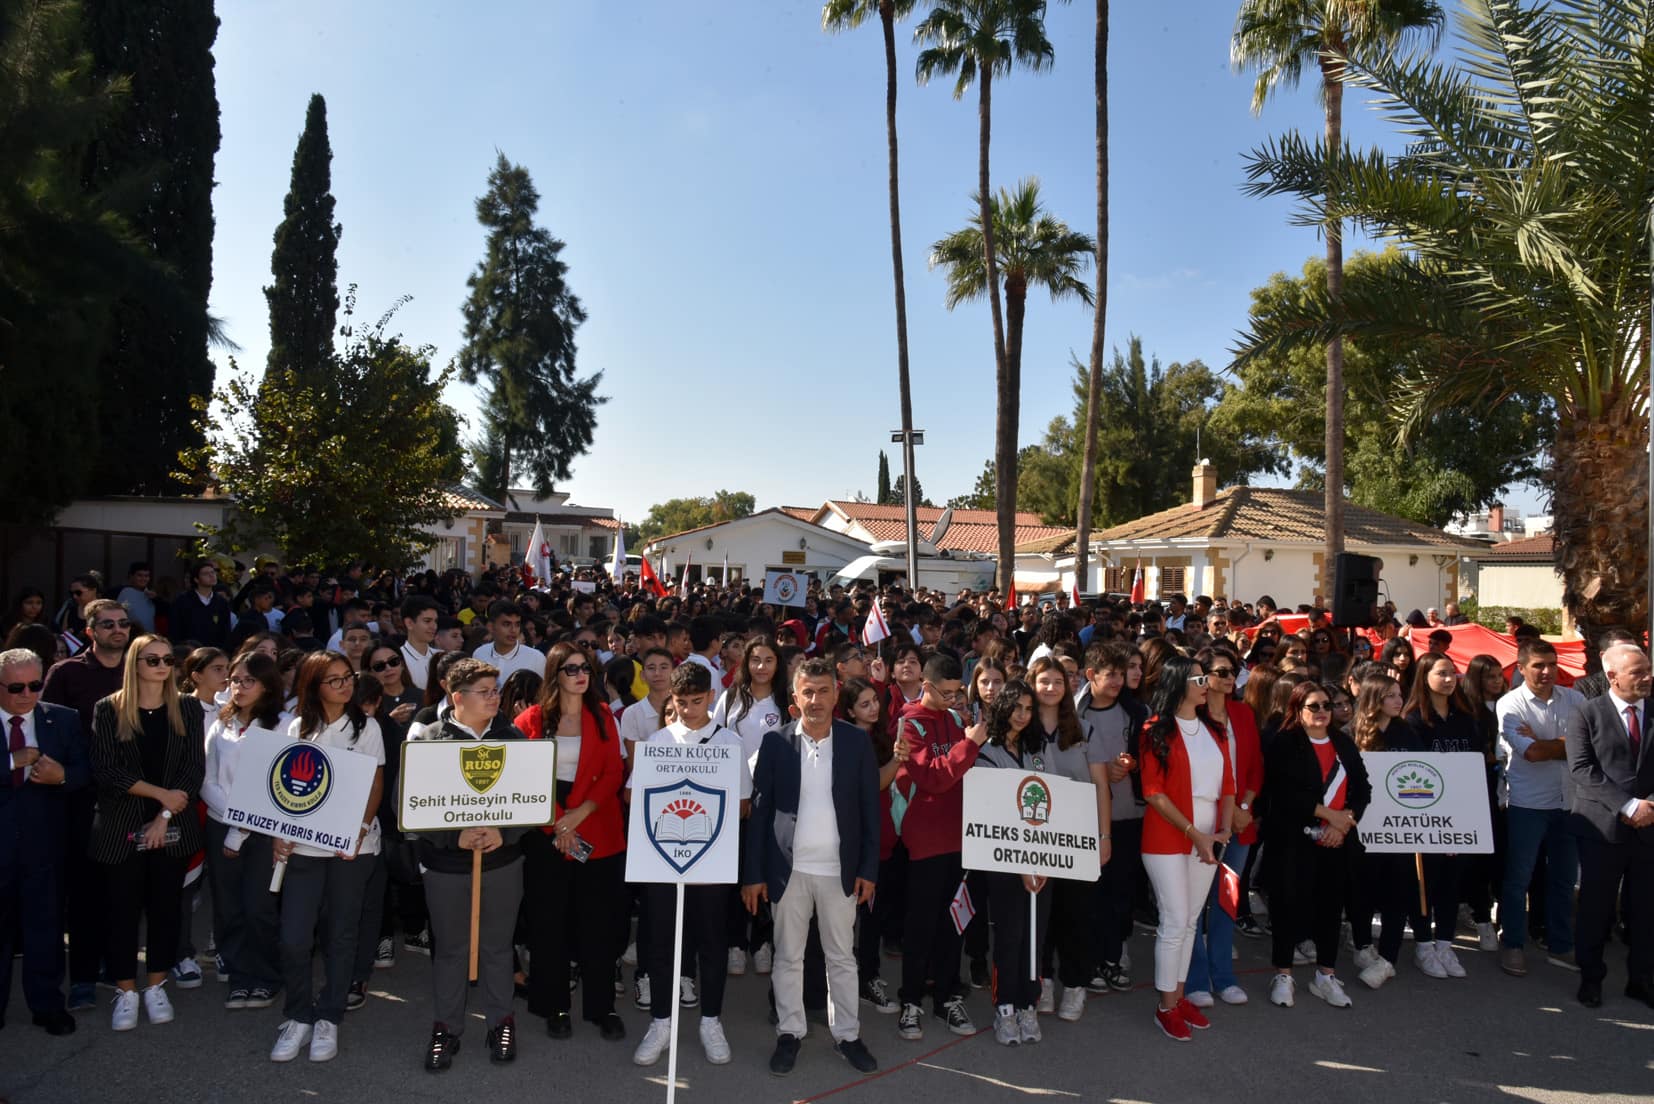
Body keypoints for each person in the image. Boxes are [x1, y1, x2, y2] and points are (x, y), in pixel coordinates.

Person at [743, 658, 880, 1076]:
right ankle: (790, 1032)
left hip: (840, 870)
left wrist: (869, 869)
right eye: (808, 692)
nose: (816, 700)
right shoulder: (775, 743)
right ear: (795, 697)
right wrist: (753, 874)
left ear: (837, 695)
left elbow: (870, 812)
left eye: (823, 691)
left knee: (841, 957)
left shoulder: (857, 743)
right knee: (788, 957)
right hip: (790, 871)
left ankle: (848, 1035)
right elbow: (761, 814)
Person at [408, 659, 531, 1071]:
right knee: (451, 949)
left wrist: (505, 832)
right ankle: (447, 1027)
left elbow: (532, 801)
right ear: (457, 697)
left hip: (501, 862)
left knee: (498, 946)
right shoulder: (428, 739)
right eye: (486, 691)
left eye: (496, 691)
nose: (496, 698)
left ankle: (501, 1022)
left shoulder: (512, 738)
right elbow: (407, 806)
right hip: (446, 866)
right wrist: (452, 836)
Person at [631, 661, 751, 1068]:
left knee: (712, 943)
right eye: (681, 703)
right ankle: (661, 1023)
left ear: (711, 698)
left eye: (697, 702)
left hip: (711, 859)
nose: (688, 710)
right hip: (664, 858)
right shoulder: (659, 739)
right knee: (663, 943)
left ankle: (710, 1021)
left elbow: (742, 806)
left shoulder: (730, 743)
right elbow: (634, 798)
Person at [270, 652, 386, 1063]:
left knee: (341, 934)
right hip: (302, 848)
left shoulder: (366, 726)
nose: (344, 686)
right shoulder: (294, 726)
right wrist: (276, 836)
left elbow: (375, 781)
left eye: (347, 678)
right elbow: (279, 786)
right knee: (295, 937)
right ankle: (298, 1014)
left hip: (351, 850)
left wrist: (358, 830)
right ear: (312, 684)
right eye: (333, 680)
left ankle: (329, 1015)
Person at [89, 635, 206, 1031]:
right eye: (152, 659)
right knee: (121, 912)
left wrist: (163, 817)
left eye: (168, 659)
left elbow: (193, 770)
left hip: (171, 829)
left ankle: (157, 984)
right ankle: (125, 991)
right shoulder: (108, 709)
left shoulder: (188, 709)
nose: (161, 665)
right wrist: (159, 796)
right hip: (122, 827)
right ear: (135, 663)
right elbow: (106, 771)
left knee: (165, 910)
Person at [513, 641, 627, 1043]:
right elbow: (522, 779)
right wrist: (558, 825)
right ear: (555, 675)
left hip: (596, 827)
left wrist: (578, 816)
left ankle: (602, 1007)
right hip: (546, 834)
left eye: (587, 670)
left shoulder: (603, 716)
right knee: (549, 925)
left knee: (598, 924)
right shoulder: (529, 720)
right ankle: (554, 1005)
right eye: (572, 670)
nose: (582, 676)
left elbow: (615, 771)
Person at [892, 652, 989, 1041]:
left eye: (958, 692)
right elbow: (933, 779)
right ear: (927, 686)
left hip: (960, 837)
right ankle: (911, 1000)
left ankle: (947, 995)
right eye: (947, 692)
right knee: (921, 924)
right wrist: (969, 747)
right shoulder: (909, 723)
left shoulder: (954, 720)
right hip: (925, 839)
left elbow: (961, 776)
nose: (954, 699)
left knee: (954, 920)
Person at [1138, 654, 1234, 1041]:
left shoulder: (1215, 729)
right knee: (1175, 920)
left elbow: (1227, 783)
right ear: (1179, 684)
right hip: (1168, 834)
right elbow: (1154, 793)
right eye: (1198, 678)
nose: (1206, 683)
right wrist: (1197, 833)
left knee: (1191, 920)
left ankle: (1177, 999)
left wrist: (1223, 829)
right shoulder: (1155, 729)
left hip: (1209, 833)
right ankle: (1165, 1006)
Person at [43, 598, 132, 1009]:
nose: (118, 630)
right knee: (84, 892)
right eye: (109, 624)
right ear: (90, 631)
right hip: (82, 797)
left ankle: (120, 971)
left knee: (125, 892)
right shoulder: (67, 674)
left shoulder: (142, 670)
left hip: (133, 798)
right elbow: (49, 733)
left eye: (123, 624)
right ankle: (81, 977)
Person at [1260, 681, 1370, 1010]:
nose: (1322, 711)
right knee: (1288, 906)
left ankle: (1326, 975)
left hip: (1337, 841)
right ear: (1298, 708)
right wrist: (1328, 816)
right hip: (1294, 841)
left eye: (1327, 705)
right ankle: (1283, 974)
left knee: (1330, 909)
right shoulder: (1285, 742)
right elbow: (1282, 792)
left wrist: (1345, 821)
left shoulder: (1344, 743)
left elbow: (1363, 788)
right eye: (1314, 706)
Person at [0, 648, 90, 1035]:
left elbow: (87, 770)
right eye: (16, 687)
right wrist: (10, 762)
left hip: (45, 845)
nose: (27, 694)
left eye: (35, 685)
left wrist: (63, 777)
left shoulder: (62, 719)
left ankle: (47, 1004)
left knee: (46, 929)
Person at [1565, 643, 1654, 1010]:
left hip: (1649, 827)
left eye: (1648, 669)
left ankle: (1641, 979)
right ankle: (1591, 977)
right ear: (1613, 676)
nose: (1648, 677)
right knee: (1596, 907)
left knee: (1647, 908)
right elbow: (1583, 769)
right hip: (1602, 828)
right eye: (1638, 672)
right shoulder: (1587, 713)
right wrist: (1627, 805)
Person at [1023, 654, 1109, 1022]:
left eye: (1059, 682)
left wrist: (1104, 836)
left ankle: (1075, 986)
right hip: (1036, 841)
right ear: (1032, 684)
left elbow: (1102, 787)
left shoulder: (1085, 729)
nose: (1051, 688)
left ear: (1069, 685)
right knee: (1041, 915)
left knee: (1076, 916)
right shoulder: (1021, 730)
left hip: (1078, 840)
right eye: (1044, 681)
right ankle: (1041, 983)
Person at [1489, 639, 1582, 978]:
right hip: (1527, 803)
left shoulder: (1575, 699)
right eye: (1539, 666)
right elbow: (1531, 753)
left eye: (1552, 665)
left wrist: (1554, 745)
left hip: (1568, 802)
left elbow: (1588, 747)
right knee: (1518, 879)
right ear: (1522, 667)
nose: (1547, 672)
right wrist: (1565, 744)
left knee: (1563, 879)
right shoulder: (1509, 705)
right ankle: (1513, 943)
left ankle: (1560, 945)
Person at [201, 652, 286, 1012]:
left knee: (259, 908)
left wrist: (241, 829)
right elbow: (207, 778)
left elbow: (275, 785)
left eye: (248, 680)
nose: (238, 687)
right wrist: (233, 823)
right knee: (228, 908)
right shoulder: (222, 723)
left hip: (262, 831)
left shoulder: (283, 724)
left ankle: (266, 977)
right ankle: (239, 976)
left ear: (267, 685)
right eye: (234, 680)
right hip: (222, 824)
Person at [970, 680, 1052, 1047]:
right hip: (1003, 862)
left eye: (1028, 708)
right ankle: (1005, 1008)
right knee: (1010, 934)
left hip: (1040, 861)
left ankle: (1027, 1004)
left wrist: (1046, 860)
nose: (1023, 714)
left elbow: (1053, 803)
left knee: (1034, 936)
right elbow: (993, 811)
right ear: (1003, 708)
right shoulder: (987, 752)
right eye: (1016, 707)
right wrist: (1021, 863)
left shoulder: (1038, 750)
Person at [1184, 646, 1262, 1009]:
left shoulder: (1244, 713)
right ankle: (1195, 979)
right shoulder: (1191, 717)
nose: (1230, 678)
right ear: (1204, 677)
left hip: (1239, 824)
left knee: (1227, 901)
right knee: (1196, 905)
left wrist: (1243, 806)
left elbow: (1256, 767)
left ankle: (1224, 976)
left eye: (1233, 671)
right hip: (1202, 825)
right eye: (1221, 672)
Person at [1397, 651, 1481, 980]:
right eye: (1441, 673)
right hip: (1425, 816)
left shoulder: (1465, 717)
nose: (1449, 680)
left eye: (1452, 674)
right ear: (1425, 677)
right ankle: (1423, 944)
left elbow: (1475, 764)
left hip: (1461, 814)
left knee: (1451, 881)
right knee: (1424, 882)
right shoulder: (1413, 720)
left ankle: (1445, 943)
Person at [714, 636, 790, 976]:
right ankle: (734, 943)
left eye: (768, 660)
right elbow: (714, 741)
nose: (761, 667)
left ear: (778, 664)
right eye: (755, 660)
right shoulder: (731, 697)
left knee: (764, 870)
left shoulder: (785, 700)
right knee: (735, 874)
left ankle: (761, 941)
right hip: (734, 800)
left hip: (772, 800)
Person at [1076, 641, 1146, 992]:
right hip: (1086, 819)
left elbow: (1149, 758)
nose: (1120, 680)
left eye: (1123, 673)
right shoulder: (1074, 714)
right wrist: (1099, 773)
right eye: (1111, 674)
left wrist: (1132, 767)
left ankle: (1113, 957)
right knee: (1090, 894)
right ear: (1091, 675)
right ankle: (1087, 961)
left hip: (1128, 815)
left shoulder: (1136, 713)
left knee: (1121, 892)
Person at [840, 676, 906, 1014]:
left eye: (875, 701)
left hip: (883, 841)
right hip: (853, 844)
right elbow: (873, 783)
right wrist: (897, 761)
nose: (873, 708)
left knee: (873, 918)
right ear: (849, 710)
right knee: (843, 920)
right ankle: (840, 982)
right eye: (864, 703)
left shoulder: (883, 737)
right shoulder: (845, 742)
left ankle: (869, 977)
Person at [472, 601, 544, 681]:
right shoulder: (479, 654)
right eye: (506, 624)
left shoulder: (536, 658)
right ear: (491, 627)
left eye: (517, 624)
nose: (513, 630)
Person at [169, 561, 232, 648]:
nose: (211, 576)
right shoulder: (182, 601)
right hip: (189, 652)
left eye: (213, 572)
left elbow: (226, 631)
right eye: (205, 573)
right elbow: (175, 630)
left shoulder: (221, 602)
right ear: (196, 579)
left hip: (214, 653)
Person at [399, 596, 443, 691]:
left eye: (435, 621)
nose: (434, 626)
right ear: (409, 623)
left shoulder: (442, 656)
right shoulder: (398, 660)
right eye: (427, 621)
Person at [115, 564, 157, 634]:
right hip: (132, 637)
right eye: (140, 575)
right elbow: (119, 615)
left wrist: (156, 599)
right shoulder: (126, 592)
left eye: (146, 576)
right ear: (131, 577)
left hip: (149, 637)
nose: (143, 579)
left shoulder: (151, 595)